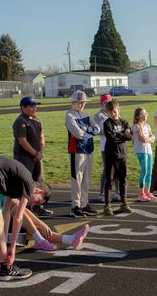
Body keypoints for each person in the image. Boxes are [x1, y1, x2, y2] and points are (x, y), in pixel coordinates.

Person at [13, 96, 53, 217]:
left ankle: (38, 206)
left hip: (37, 157)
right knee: (25, 183)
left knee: (39, 182)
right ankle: (23, 208)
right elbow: (22, 141)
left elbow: (41, 137)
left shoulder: (37, 120)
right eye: (31, 106)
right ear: (23, 108)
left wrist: (40, 152)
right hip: (24, 157)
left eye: (35, 106)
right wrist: (35, 153)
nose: (34, 108)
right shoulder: (20, 121)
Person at [6, 196, 89, 251]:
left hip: (7, 232)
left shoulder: (2, 189)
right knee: (16, 210)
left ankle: (70, 240)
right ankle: (40, 240)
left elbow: (19, 206)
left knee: (19, 209)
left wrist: (41, 224)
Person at [65, 90, 100, 218]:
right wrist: (89, 132)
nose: (82, 105)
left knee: (87, 178)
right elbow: (78, 134)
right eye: (80, 103)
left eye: (83, 102)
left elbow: (97, 129)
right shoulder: (69, 115)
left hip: (89, 149)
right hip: (77, 150)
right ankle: (75, 206)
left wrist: (87, 130)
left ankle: (84, 204)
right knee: (77, 179)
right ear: (73, 102)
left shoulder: (86, 114)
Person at [103, 100, 133, 216]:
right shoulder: (107, 123)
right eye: (110, 112)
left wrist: (121, 135)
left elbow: (130, 137)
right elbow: (111, 138)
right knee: (109, 181)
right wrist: (123, 135)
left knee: (123, 180)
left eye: (114, 111)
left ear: (118, 110)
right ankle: (107, 205)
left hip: (123, 155)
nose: (113, 114)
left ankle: (124, 203)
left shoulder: (124, 122)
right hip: (111, 155)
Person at [93, 94, 121, 203]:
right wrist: (109, 130)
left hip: (116, 146)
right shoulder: (98, 116)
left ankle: (118, 192)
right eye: (105, 103)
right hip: (105, 147)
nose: (107, 104)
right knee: (107, 170)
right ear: (102, 104)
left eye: (109, 102)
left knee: (117, 169)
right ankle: (102, 193)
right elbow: (95, 131)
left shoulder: (115, 113)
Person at [132, 108, 157, 201]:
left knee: (149, 172)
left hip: (149, 151)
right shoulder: (136, 126)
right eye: (142, 114)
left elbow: (153, 136)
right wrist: (149, 139)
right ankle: (141, 193)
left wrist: (149, 139)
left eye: (146, 113)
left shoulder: (147, 126)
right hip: (141, 150)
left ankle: (148, 192)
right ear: (137, 116)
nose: (145, 115)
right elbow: (141, 139)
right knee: (144, 171)